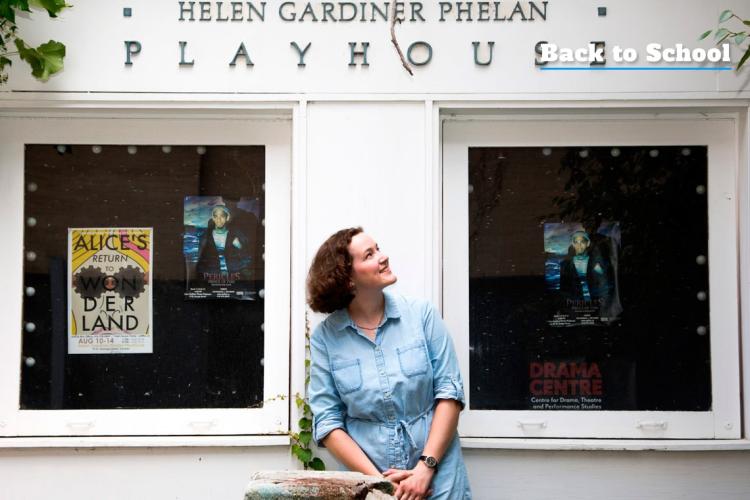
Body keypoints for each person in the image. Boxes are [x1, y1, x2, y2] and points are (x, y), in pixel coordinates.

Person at [307, 227, 471, 500]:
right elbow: (327, 423)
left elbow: (450, 393)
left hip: (438, 480)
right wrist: (378, 485)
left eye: (378, 248)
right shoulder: (326, 339)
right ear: (347, 279)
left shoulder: (422, 315)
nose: (383, 257)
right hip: (368, 487)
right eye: (370, 255)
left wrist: (424, 469)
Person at [195, 204, 250, 279]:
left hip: (234, 273)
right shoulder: (206, 237)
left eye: (222, 216)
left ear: (227, 218)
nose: (218, 219)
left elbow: (248, 254)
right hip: (212, 274)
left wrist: (239, 246)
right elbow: (200, 259)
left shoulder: (236, 234)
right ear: (213, 218)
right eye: (216, 216)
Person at [559, 230, 612, 301]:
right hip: (575, 303)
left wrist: (601, 298)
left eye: (582, 242)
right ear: (573, 244)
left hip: (594, 301)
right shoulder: (566, 264)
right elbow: (564, 287)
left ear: (588, 243)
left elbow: (603, 281)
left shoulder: (594, 262)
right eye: (576, 242)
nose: (579, 245)